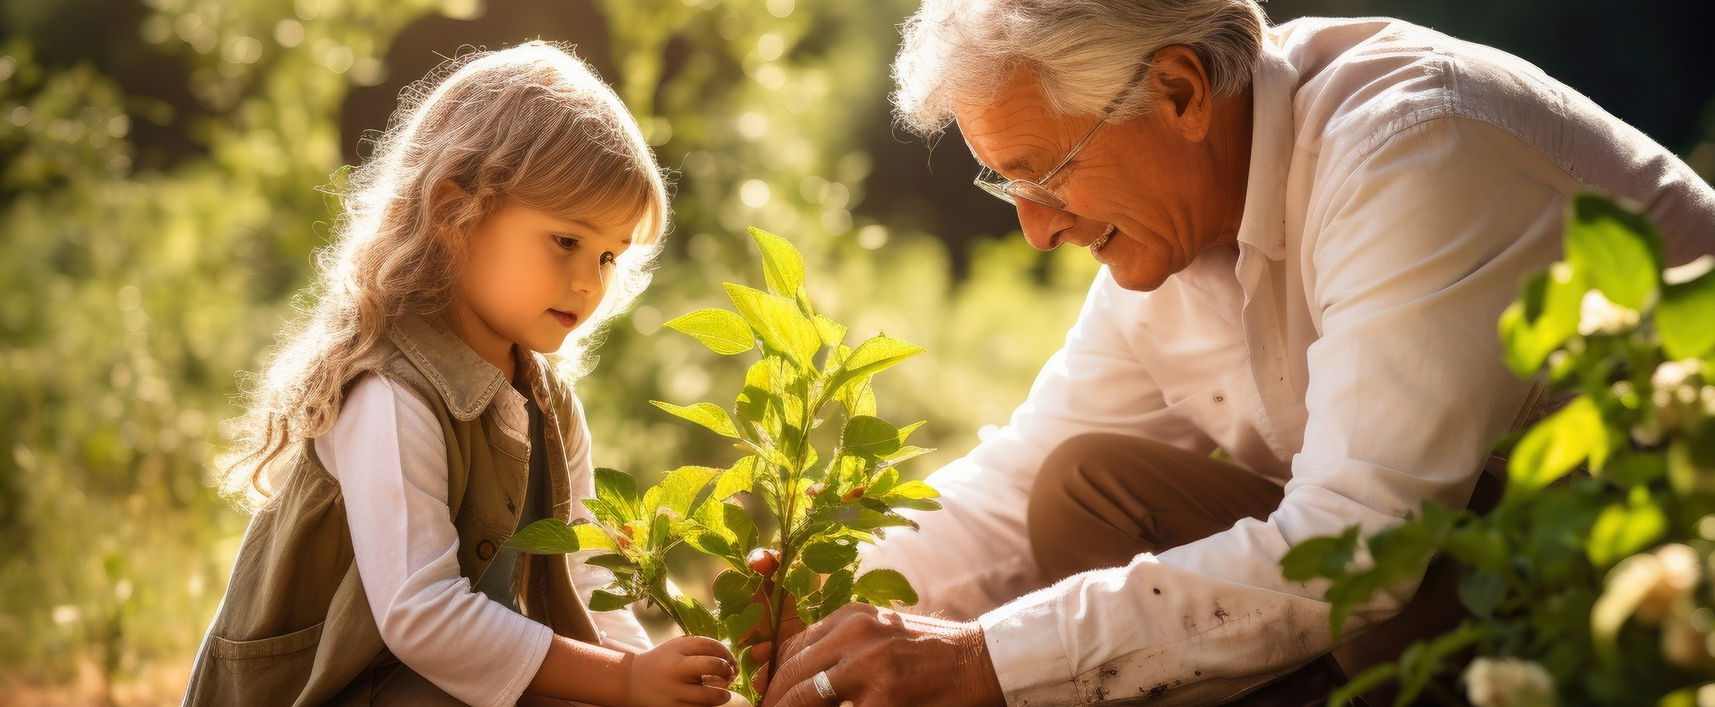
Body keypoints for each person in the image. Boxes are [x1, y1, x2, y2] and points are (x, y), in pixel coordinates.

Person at [759, 1, 1715, 705]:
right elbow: (1009, 490)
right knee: (1080, 484)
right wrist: (811, 607)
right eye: (1003, 183)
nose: (1037, 232)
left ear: (1178, 91)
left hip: (1652, 581)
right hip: (1486, 568)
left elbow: (1359, 543)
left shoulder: (1411, 150)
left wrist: (980, 661)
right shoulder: (1172, 237)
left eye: (1046, 173)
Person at [183, 42, 736, 707]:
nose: (589, 282)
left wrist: (646, 681)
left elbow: (586, 576)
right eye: (566, 240)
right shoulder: (389, 393)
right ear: (454, 211)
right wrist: (618, 682)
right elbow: (422, 614)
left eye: (610, 256)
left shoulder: (546, 403)